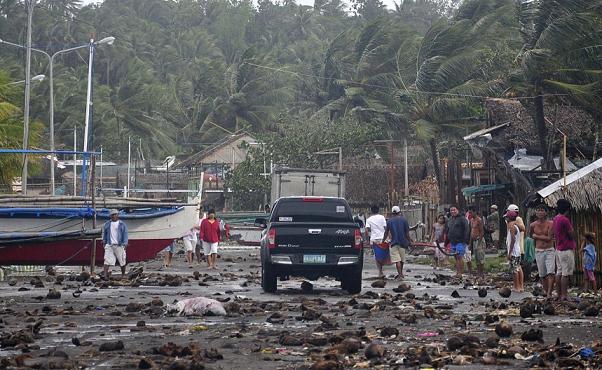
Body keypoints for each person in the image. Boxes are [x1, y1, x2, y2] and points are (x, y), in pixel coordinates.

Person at [551, 199, 576, 301]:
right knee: (565, 274)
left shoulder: (556, 218)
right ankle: (564, 295)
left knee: (559, 272)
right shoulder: (565, 220)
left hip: (558, 248)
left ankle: (558, 294)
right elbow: (571, 233)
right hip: (566, 248)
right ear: (567, 209)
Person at [529, 205, 555, 297]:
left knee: (551, 272)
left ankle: (549, 293)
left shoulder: (550, 223)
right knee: (542, 274)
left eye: (542, 210)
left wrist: (537, 236)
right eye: (538, 210)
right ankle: (546, 291)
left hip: (549, 250)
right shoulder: (533, 225)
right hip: (538, 250)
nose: (540, 212)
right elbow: (532, 237)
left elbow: (549, 238)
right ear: (535, 212)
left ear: (546, 212)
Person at [383, 206, 413, 280]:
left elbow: (386, 233)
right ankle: (401, 274)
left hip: (394, 243)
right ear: (400, 212)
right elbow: (407, 233)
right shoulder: (404, 220)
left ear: (392, 213)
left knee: (397, 260)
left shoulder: (389, 221)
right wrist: (410, 241)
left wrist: (382, 241)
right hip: (403, 243)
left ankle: (400, 275)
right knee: (402, 260)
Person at [101, 209, 128, 279]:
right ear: (110, 216)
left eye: (115, 214)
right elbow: (105, 234)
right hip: (109, 244)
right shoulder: (107, 224)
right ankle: (105, 274)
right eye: (112, 215)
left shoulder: (122, 224)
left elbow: (125, 234)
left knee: (122, 260)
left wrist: (125, 243)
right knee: (107, 259)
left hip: (119, 244)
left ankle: (123, 274)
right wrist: (104, 241)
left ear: (118, 215)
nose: (114, 216)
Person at [445, 206, 470, 278]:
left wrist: (465, 240)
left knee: (459, 257)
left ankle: (460, 273)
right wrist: (446, 242)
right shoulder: (450, 220)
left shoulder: (462, 219)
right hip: (453, 242)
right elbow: (447, 231)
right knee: (455, 257)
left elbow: (466, 229)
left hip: (461, 241)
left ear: (457, 210)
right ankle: (457, 272)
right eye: (451, 210)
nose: (453, 212)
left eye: (454, 210)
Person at [366, 205, 389, 278]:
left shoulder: (369, 219)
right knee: (384, 254)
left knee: (377, 256)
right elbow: (386, 228)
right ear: (378, 210)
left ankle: (380, 271)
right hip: (383, 238)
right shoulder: (382, 217)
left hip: (374, 239)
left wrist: (368, 239)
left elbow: (367, 230)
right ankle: (382, 269)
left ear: (371, 210)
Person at [506, 210, 524, 292]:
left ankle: (516, 286)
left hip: (514, 251)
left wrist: (510, 252)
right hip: (517, 250)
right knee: (518, 267)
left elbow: (512, 239)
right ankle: (521, 286)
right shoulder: (516, 226)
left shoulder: (512, 226)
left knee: (514, 270)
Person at [469, 208, 486, 280]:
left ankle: (481, 274)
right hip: (474, 240)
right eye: (469, 213)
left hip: (479, 240)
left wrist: (479, 243)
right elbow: (471, 232)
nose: (471, 214)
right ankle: (478, 273)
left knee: (480, 258)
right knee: (476, 258)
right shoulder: (471, 220)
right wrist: (470, 243)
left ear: (475, 212)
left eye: (471, 212)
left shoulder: (479, 220)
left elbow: (482, 232)